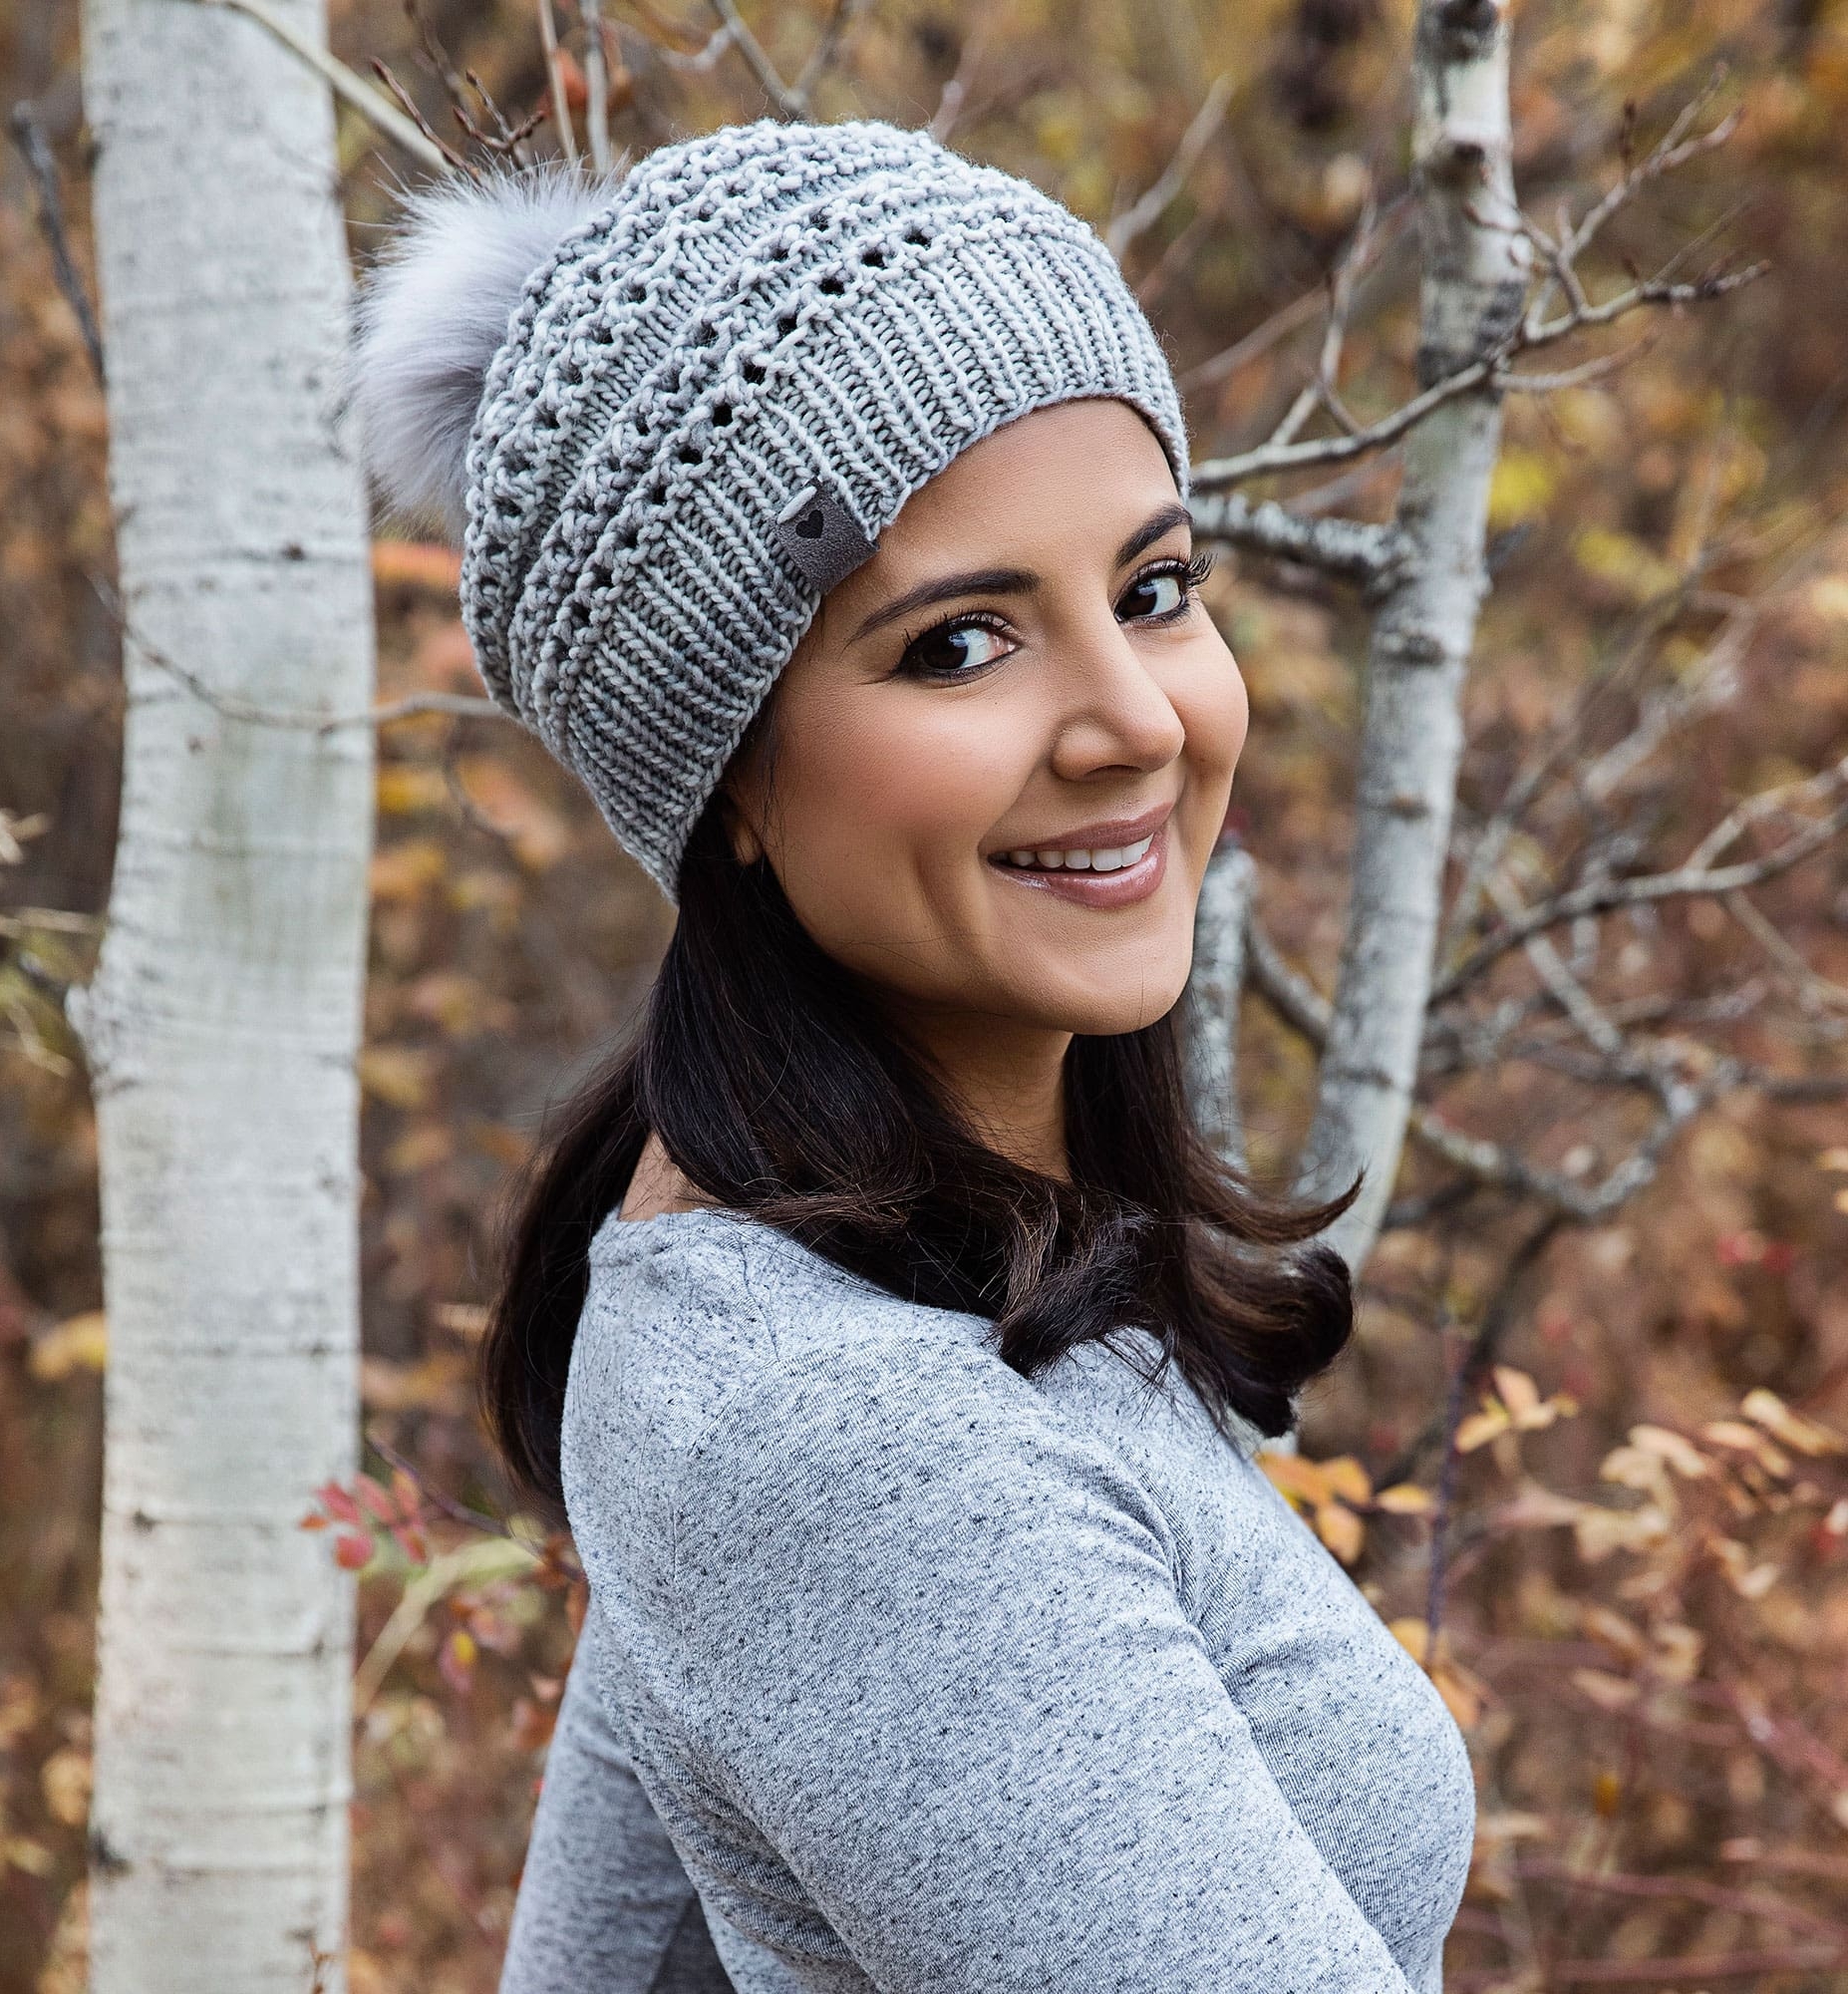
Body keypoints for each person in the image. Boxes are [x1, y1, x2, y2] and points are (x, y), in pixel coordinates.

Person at [350, 118, 1476, 1994]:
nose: (1135, 723)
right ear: (727, 783)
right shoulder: (841, 1437)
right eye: (959, 646)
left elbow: (619, 1949)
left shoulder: (864, 1262)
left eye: (1154, 588)